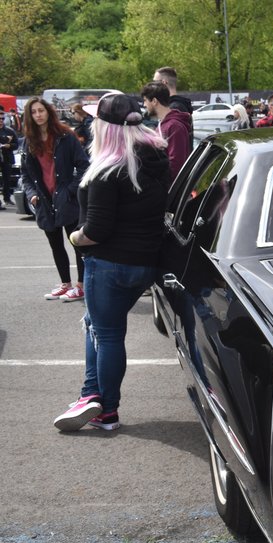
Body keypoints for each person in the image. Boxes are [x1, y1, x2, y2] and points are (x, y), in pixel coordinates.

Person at [53, 93, 170, 432]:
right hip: (146, 263)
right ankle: (90, 395)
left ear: (103, 126)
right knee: (96, 325)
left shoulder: (108, 170)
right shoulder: (156, 157)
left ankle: (106, 410)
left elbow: (95, 232)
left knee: (107, 334)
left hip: (109, 265)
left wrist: (74, 238)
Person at [20, 97, 91, 301]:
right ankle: (65, 283)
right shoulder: (28, 141)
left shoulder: (65, 136)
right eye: (33, 112)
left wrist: (70, 189)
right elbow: (26, 175)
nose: (38, 115)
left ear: (48, 112)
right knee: (55, 245)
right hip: (44, 200)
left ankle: (81, 285)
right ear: (29, 116)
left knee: (77, 243)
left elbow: (84, 166)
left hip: (66, 199)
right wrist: (32, 194)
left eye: (41, 110)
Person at [141, 81, 192, 181]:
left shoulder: (174, 127)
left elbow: (176, 165)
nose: (144, 105)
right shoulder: (164, 124)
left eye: (145, 100)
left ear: (154, 101)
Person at [0, 109, 16, 208]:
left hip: (7, 157)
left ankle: (7, 198)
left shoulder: (9, 131)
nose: (1, 120)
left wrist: (9, 146)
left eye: (2, 118)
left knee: (7, 179)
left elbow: (16, 145)